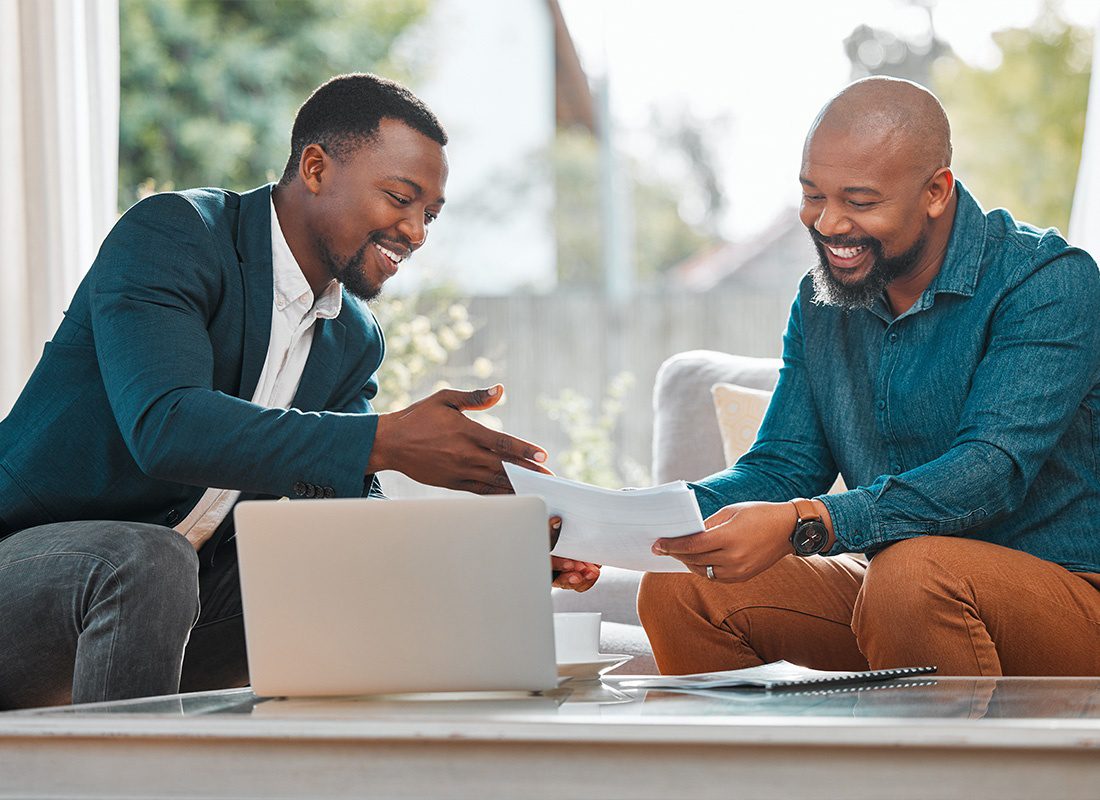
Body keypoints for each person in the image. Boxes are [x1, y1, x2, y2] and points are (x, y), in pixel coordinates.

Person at [0, 73, 597, 709]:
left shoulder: (350, 336)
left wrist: (490, 562)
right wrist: (385, 438)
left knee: (330, 579)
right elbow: (165, 425)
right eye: (400, 198)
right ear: (315, 168)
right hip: (28, 576)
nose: (417, 232)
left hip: (173, 603)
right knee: (152, 560)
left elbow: (349, 515)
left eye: (430, 214)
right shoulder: (175, 236)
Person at [638, 77, 1100, 677]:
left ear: (936, 191)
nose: (827, 224)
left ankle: (940, 774)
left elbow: (990, 473)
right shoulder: (821, 301)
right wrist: (629, 524)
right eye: (812, 195)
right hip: (894, 597)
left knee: (911, 576)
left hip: (1065, 597)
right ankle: (759, 774)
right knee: (681, 587)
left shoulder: (1048, 282)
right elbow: (781, 466)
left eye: (859, 202)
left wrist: (812, 521)